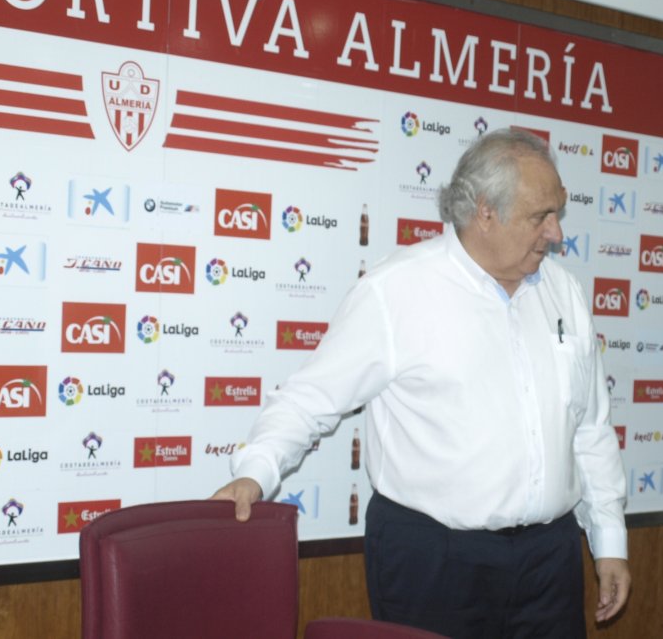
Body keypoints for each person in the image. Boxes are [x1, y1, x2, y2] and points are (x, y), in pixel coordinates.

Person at [212, 127, 630, 638]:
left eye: (557, 214)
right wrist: (255, 472)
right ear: (485, 212)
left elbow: (590, 427)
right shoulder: (397, 291)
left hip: (550, 562)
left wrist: (608, 540)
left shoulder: (564, 293)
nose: (557, 234)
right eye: (540, 217)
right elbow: (310, 399)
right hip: (435, 563)